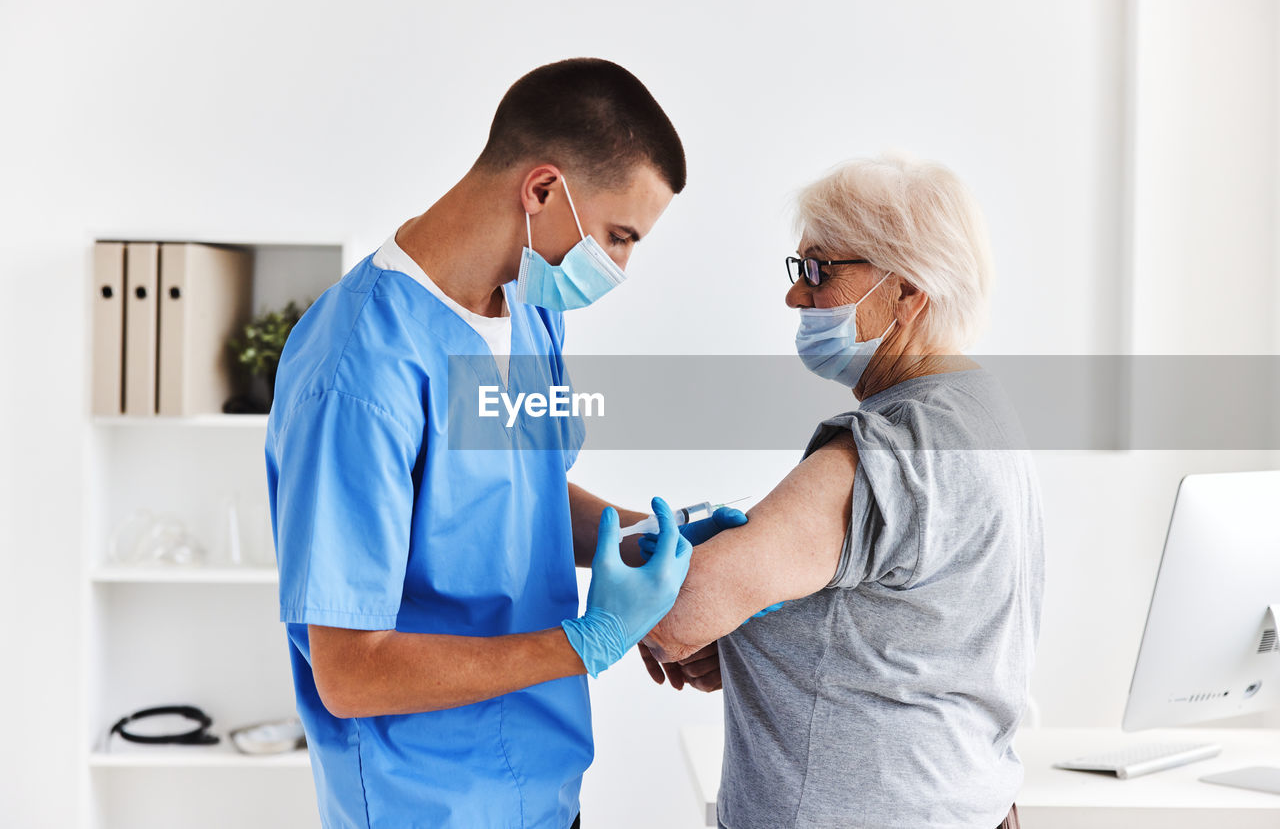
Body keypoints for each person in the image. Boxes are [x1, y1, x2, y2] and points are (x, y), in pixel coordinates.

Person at [265, 58, 739, 829]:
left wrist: (651, 539)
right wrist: (590, 640)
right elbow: (351, 672)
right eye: (618, 238)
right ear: (543, 189)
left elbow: (519, 497)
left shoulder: (527, 308)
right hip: (424, 804)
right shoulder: (358, 373)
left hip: (543, 792)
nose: (619, 268)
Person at [641, 155, 1043, 829]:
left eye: (821, 270)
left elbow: (679, 609)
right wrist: (748, 643)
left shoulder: (894, 446)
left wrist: (692, 610)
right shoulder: (981, 415)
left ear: (908, 291)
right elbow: (894, 623)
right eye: (799, 270)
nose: (796, 296)